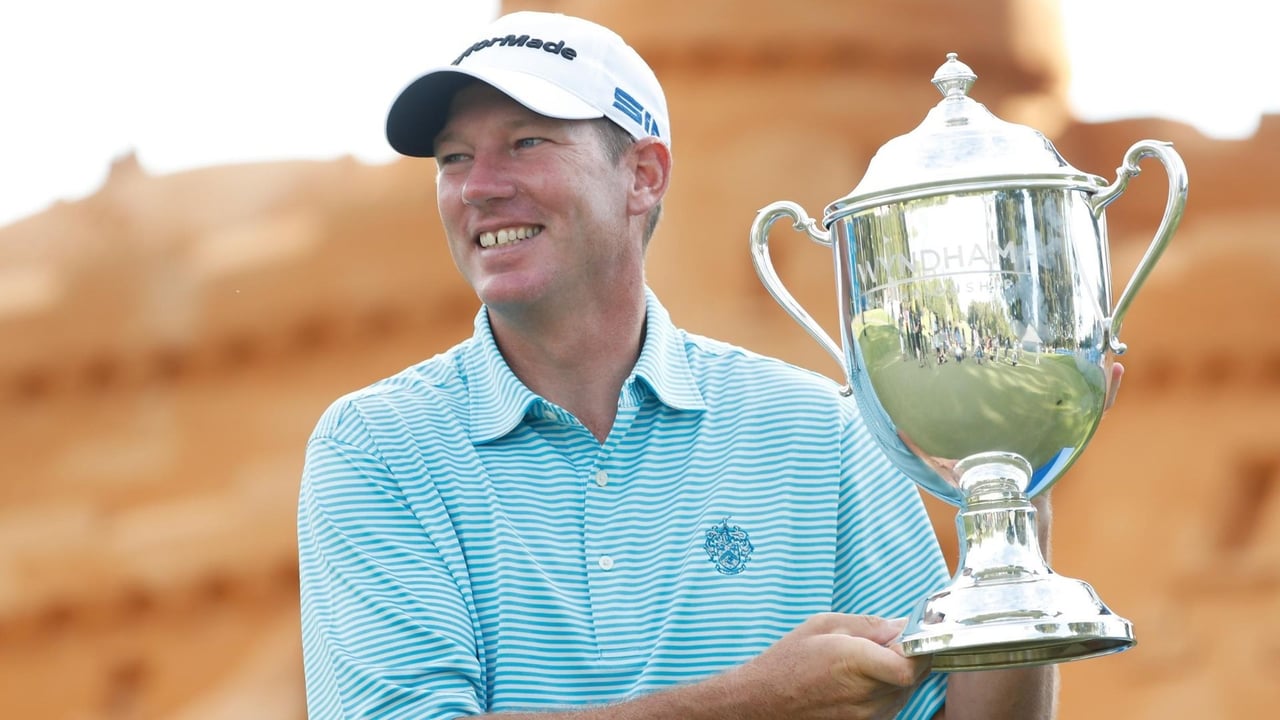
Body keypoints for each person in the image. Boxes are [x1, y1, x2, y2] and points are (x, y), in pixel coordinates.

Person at [298, 10, 1121, 719]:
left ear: (643, 176)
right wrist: (756, 701)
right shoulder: (377, 448)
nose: (479, 187)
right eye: (452, 158)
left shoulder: (822, 433)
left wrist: (1017, 504)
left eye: (526, 143)